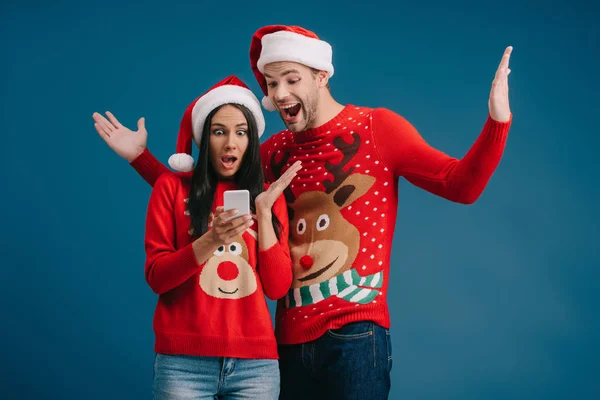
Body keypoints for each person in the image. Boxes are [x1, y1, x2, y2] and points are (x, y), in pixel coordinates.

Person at [93, 25, 513, 400]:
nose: (279, 94)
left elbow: (461, 186)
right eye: (272, 84)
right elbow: (206, 198)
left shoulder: (377, 129)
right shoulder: (274, 152)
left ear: (322, 76)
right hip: (284, 342)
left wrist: (497, 122)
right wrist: (142, 160)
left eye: (291, 79)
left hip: (356, 334)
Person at [94, 75, 301, 399]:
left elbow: (276, 288)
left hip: (255, 366)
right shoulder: (170, 189)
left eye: (241, 132)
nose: (230, 143)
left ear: (251, 140)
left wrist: (262, 215)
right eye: (219, 131)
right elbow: (157, 278)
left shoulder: (268, 199)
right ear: (205, 138)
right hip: (183, 363)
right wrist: (211, 239)